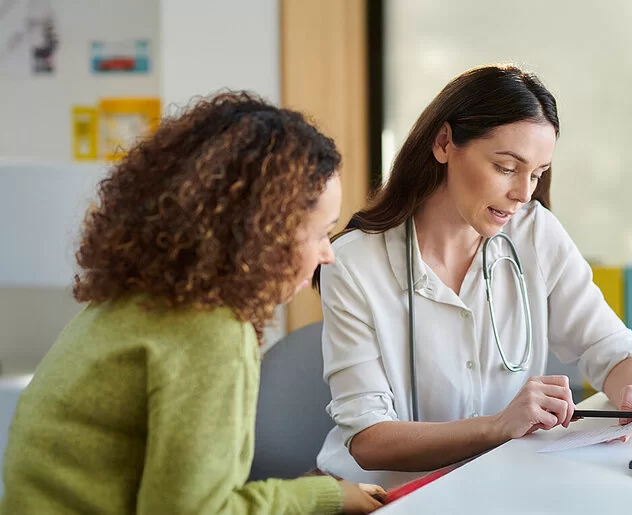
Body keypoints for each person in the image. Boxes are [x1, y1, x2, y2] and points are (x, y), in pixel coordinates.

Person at [0, 92, 384, 514]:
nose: (327, 253)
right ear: (260, 234)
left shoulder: (135, 296)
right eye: (318, 233)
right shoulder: (210, 330)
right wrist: (324, 496)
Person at [313, 65, 632, 488]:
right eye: (506, 167)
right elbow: (368, 442)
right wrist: (499, 426)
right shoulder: (354, 262)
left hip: (495, 485)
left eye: (536, 173)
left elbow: (618, 352)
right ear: (444, 143)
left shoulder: (535, 232)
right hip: (383, 495)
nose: (524, 193)